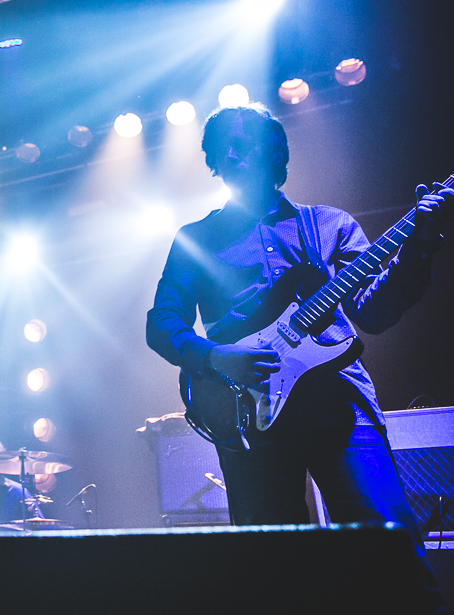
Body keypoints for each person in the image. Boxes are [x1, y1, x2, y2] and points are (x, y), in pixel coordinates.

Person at [146, 105, 450, 609]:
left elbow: (373, 311)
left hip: (340, 407)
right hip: (247, 414)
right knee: (276, 570)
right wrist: (217, 358)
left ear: (276, 152)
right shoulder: (194, 239)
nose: (233, 152)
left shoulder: (327, 226)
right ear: (213, 163)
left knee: (391, 548)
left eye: (244, 141)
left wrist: (418, 247)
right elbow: (162, 324)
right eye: (223, 145)